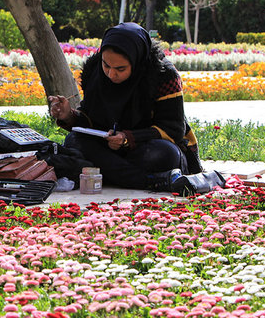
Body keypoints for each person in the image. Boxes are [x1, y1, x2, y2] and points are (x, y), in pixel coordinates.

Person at [49, 22, 206, 195]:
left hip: (145, 147)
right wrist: (68, 115)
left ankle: (108, 172)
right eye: (106, 66)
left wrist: (127, 138)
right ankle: (152, 181)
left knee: (165, 155)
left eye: (120, 69)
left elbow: (174, 129)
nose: (111, 74)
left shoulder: (163, 74)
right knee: (74, 140)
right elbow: (91, 120)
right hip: (108, 147)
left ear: (136, 59)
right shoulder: (94, 72)